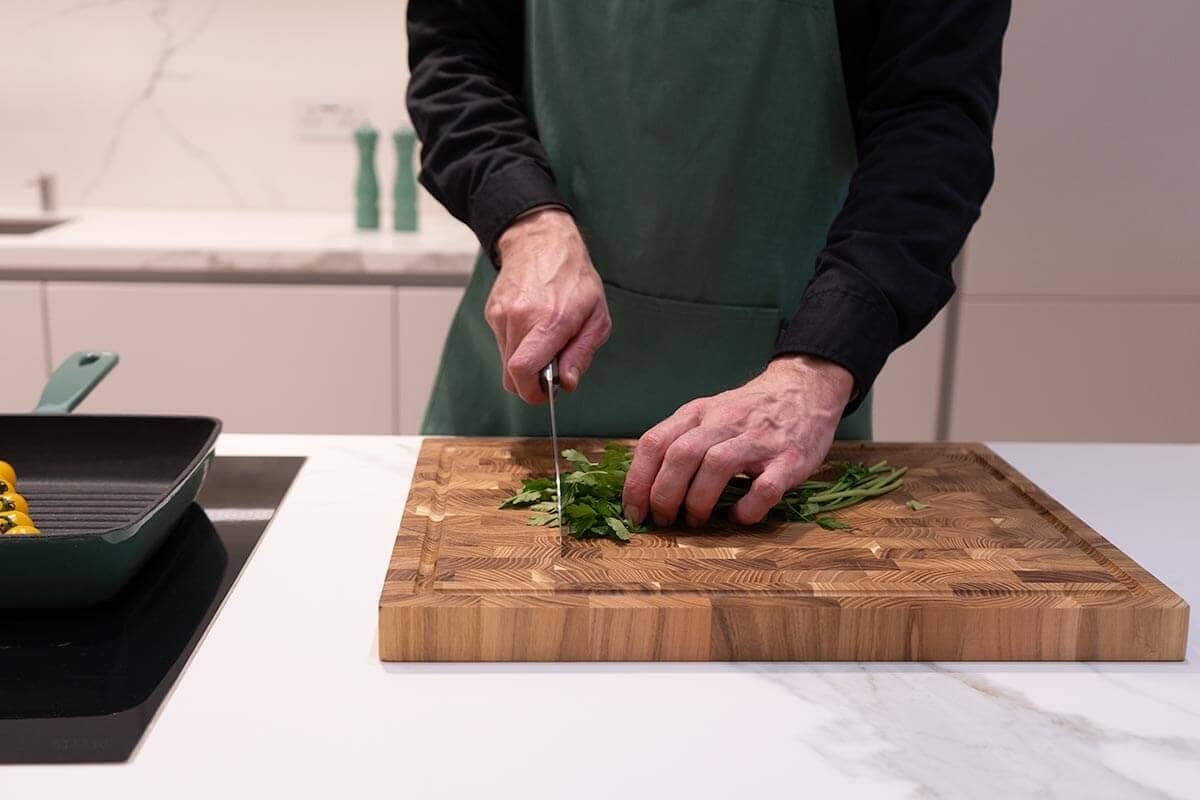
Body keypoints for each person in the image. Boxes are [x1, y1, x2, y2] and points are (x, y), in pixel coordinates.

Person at [407, 1, 1008, 529]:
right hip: (525, 385)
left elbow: (933, 131)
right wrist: (527, 220)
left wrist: (820, 364)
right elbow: (456, 57)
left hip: (782, 390)